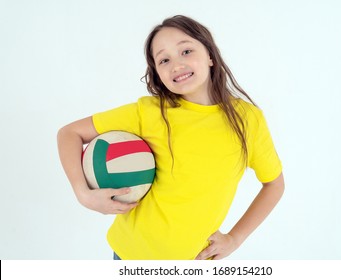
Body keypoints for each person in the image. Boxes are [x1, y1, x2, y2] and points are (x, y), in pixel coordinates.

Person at [57, 15, 284, 260]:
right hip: (129, 254)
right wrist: (83, 194)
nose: (176, 65)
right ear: (157, 72)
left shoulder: (247, 119)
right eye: (164, 59)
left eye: (186, 51)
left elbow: (274, 184)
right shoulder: (149, 112)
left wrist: (235, 239)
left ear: (210, 55)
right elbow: (69, 133)